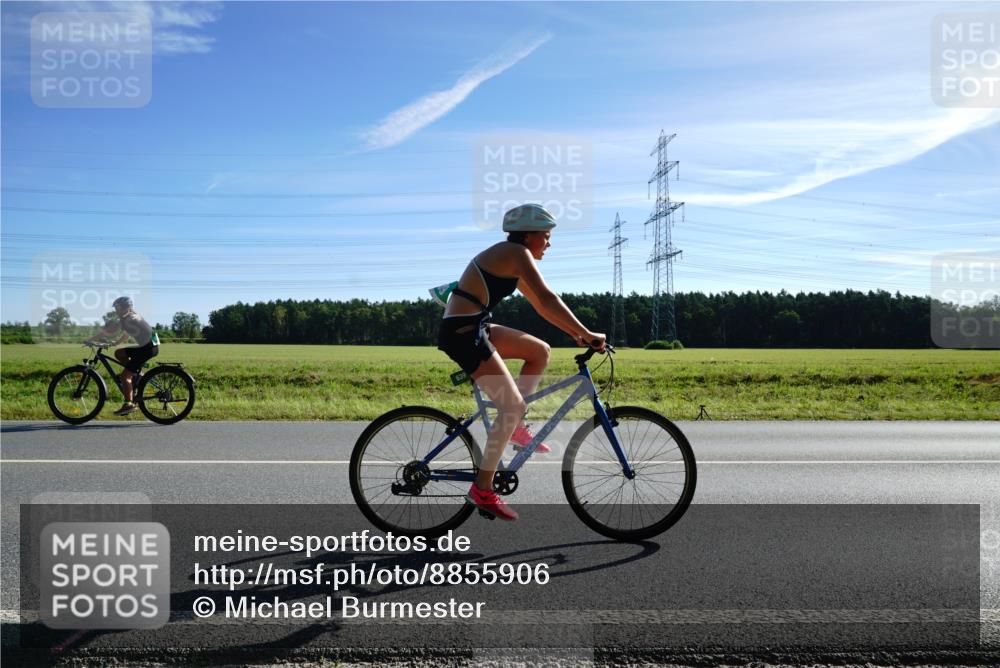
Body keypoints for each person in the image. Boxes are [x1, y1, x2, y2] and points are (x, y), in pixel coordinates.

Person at [437, 203, 606, 522]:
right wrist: (586, 332)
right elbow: (548, 299)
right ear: (528, 235)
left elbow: (542, 308)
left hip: (474, 326)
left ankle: (515, 427)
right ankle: (482, 489)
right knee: (511, 406)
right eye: (546, 235)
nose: (549, 242)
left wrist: (576, 335)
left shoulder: (514, 256)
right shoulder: (515, 253)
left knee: (539, 350)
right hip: (463, 332)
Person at [85, 296, 159, 416]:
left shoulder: (127, 319)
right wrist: (114, 343)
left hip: (147, 349)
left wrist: (90, 340)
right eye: (115, 308)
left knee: (125, 376)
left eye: (117, 308)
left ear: (124, 308)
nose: (116, 310)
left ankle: (128, 404)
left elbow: (109, 331)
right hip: (150, 347)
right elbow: (126, 335)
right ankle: (136, 375)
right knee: (119, 353)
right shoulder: (134, 317)